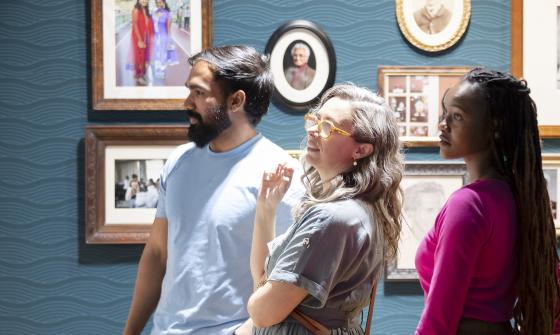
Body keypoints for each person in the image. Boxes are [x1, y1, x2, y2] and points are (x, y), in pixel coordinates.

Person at [123, 45, 304, 335]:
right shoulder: (178, 162)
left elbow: (285, 283)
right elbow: (157, 253)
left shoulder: (282, 174)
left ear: (236, 101)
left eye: (198, 92)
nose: (187, 102)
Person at [247, 83, 404, 333]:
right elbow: (262, 283)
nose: (313, 131)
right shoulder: (360, 210)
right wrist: (266, 210)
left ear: (361, 150)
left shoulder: (331, 217)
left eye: (328, 127)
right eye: (315, 120)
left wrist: (261, 298)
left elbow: (262, 311)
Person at [415, 68, 560, 334]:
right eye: (445, 113)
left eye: (457, 116)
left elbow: (438, 320)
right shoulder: (519, 199)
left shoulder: (468, 204)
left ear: (495, 126)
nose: (443, 124)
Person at [129, 0, 154, 86]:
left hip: (146, 37)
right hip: (139, 37)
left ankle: (142, 74)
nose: (144, 0)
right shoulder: (136, 10)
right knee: (139, 57)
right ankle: (139, 76)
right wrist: (139, 40)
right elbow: (135, 25)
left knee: (145, 57)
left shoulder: (146, 10)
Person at [152, 0, 178, 79]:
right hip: (155, 37)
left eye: (160, 2)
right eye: (157, 2)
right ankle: (157, 70)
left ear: (163, 3)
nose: (158, 4)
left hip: (163, 37)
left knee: (163, 54)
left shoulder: (167, 14)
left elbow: (169, 28)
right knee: (156, 54)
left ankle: (162, 71)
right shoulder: (154, 12)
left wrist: (169, 40)